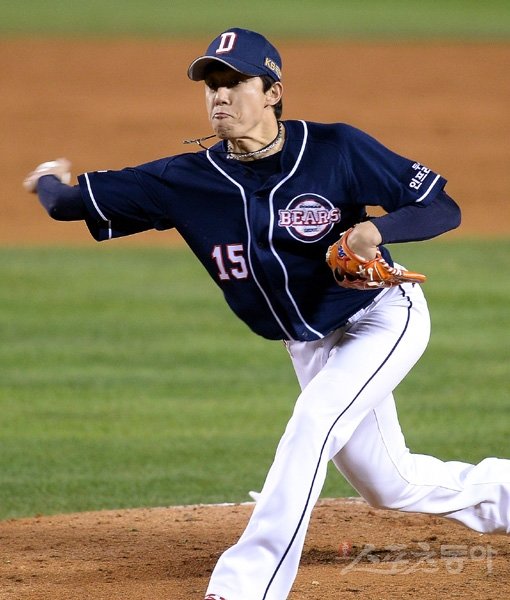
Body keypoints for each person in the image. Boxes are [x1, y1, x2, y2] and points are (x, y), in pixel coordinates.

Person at [24, 27, 510, 600]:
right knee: (390, 483)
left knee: (312, 424)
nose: (220, 95)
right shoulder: (185, 181)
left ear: (272, 92)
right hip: (310, 342)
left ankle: (246, 586)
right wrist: (48, 179)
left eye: (235, 83)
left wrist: (375, 230)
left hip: (381, 316)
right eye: (212, 84)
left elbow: (440, 206)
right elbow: (68, 204)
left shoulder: (334, 148)